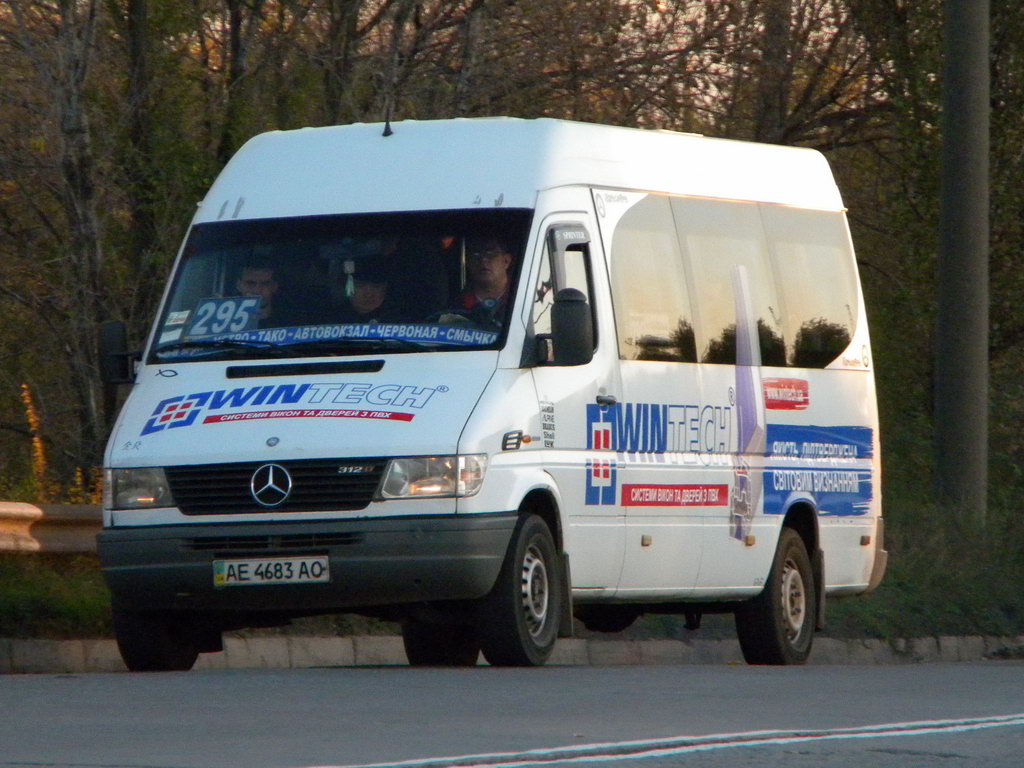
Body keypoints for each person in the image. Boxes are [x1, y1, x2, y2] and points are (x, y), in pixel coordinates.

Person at [443, 236, 514, 330]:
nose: (483, 259)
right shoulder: (455, 307)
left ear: (506, 261)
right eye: (475, 254)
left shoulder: (521, 297)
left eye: (490, 253)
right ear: (468, 262)